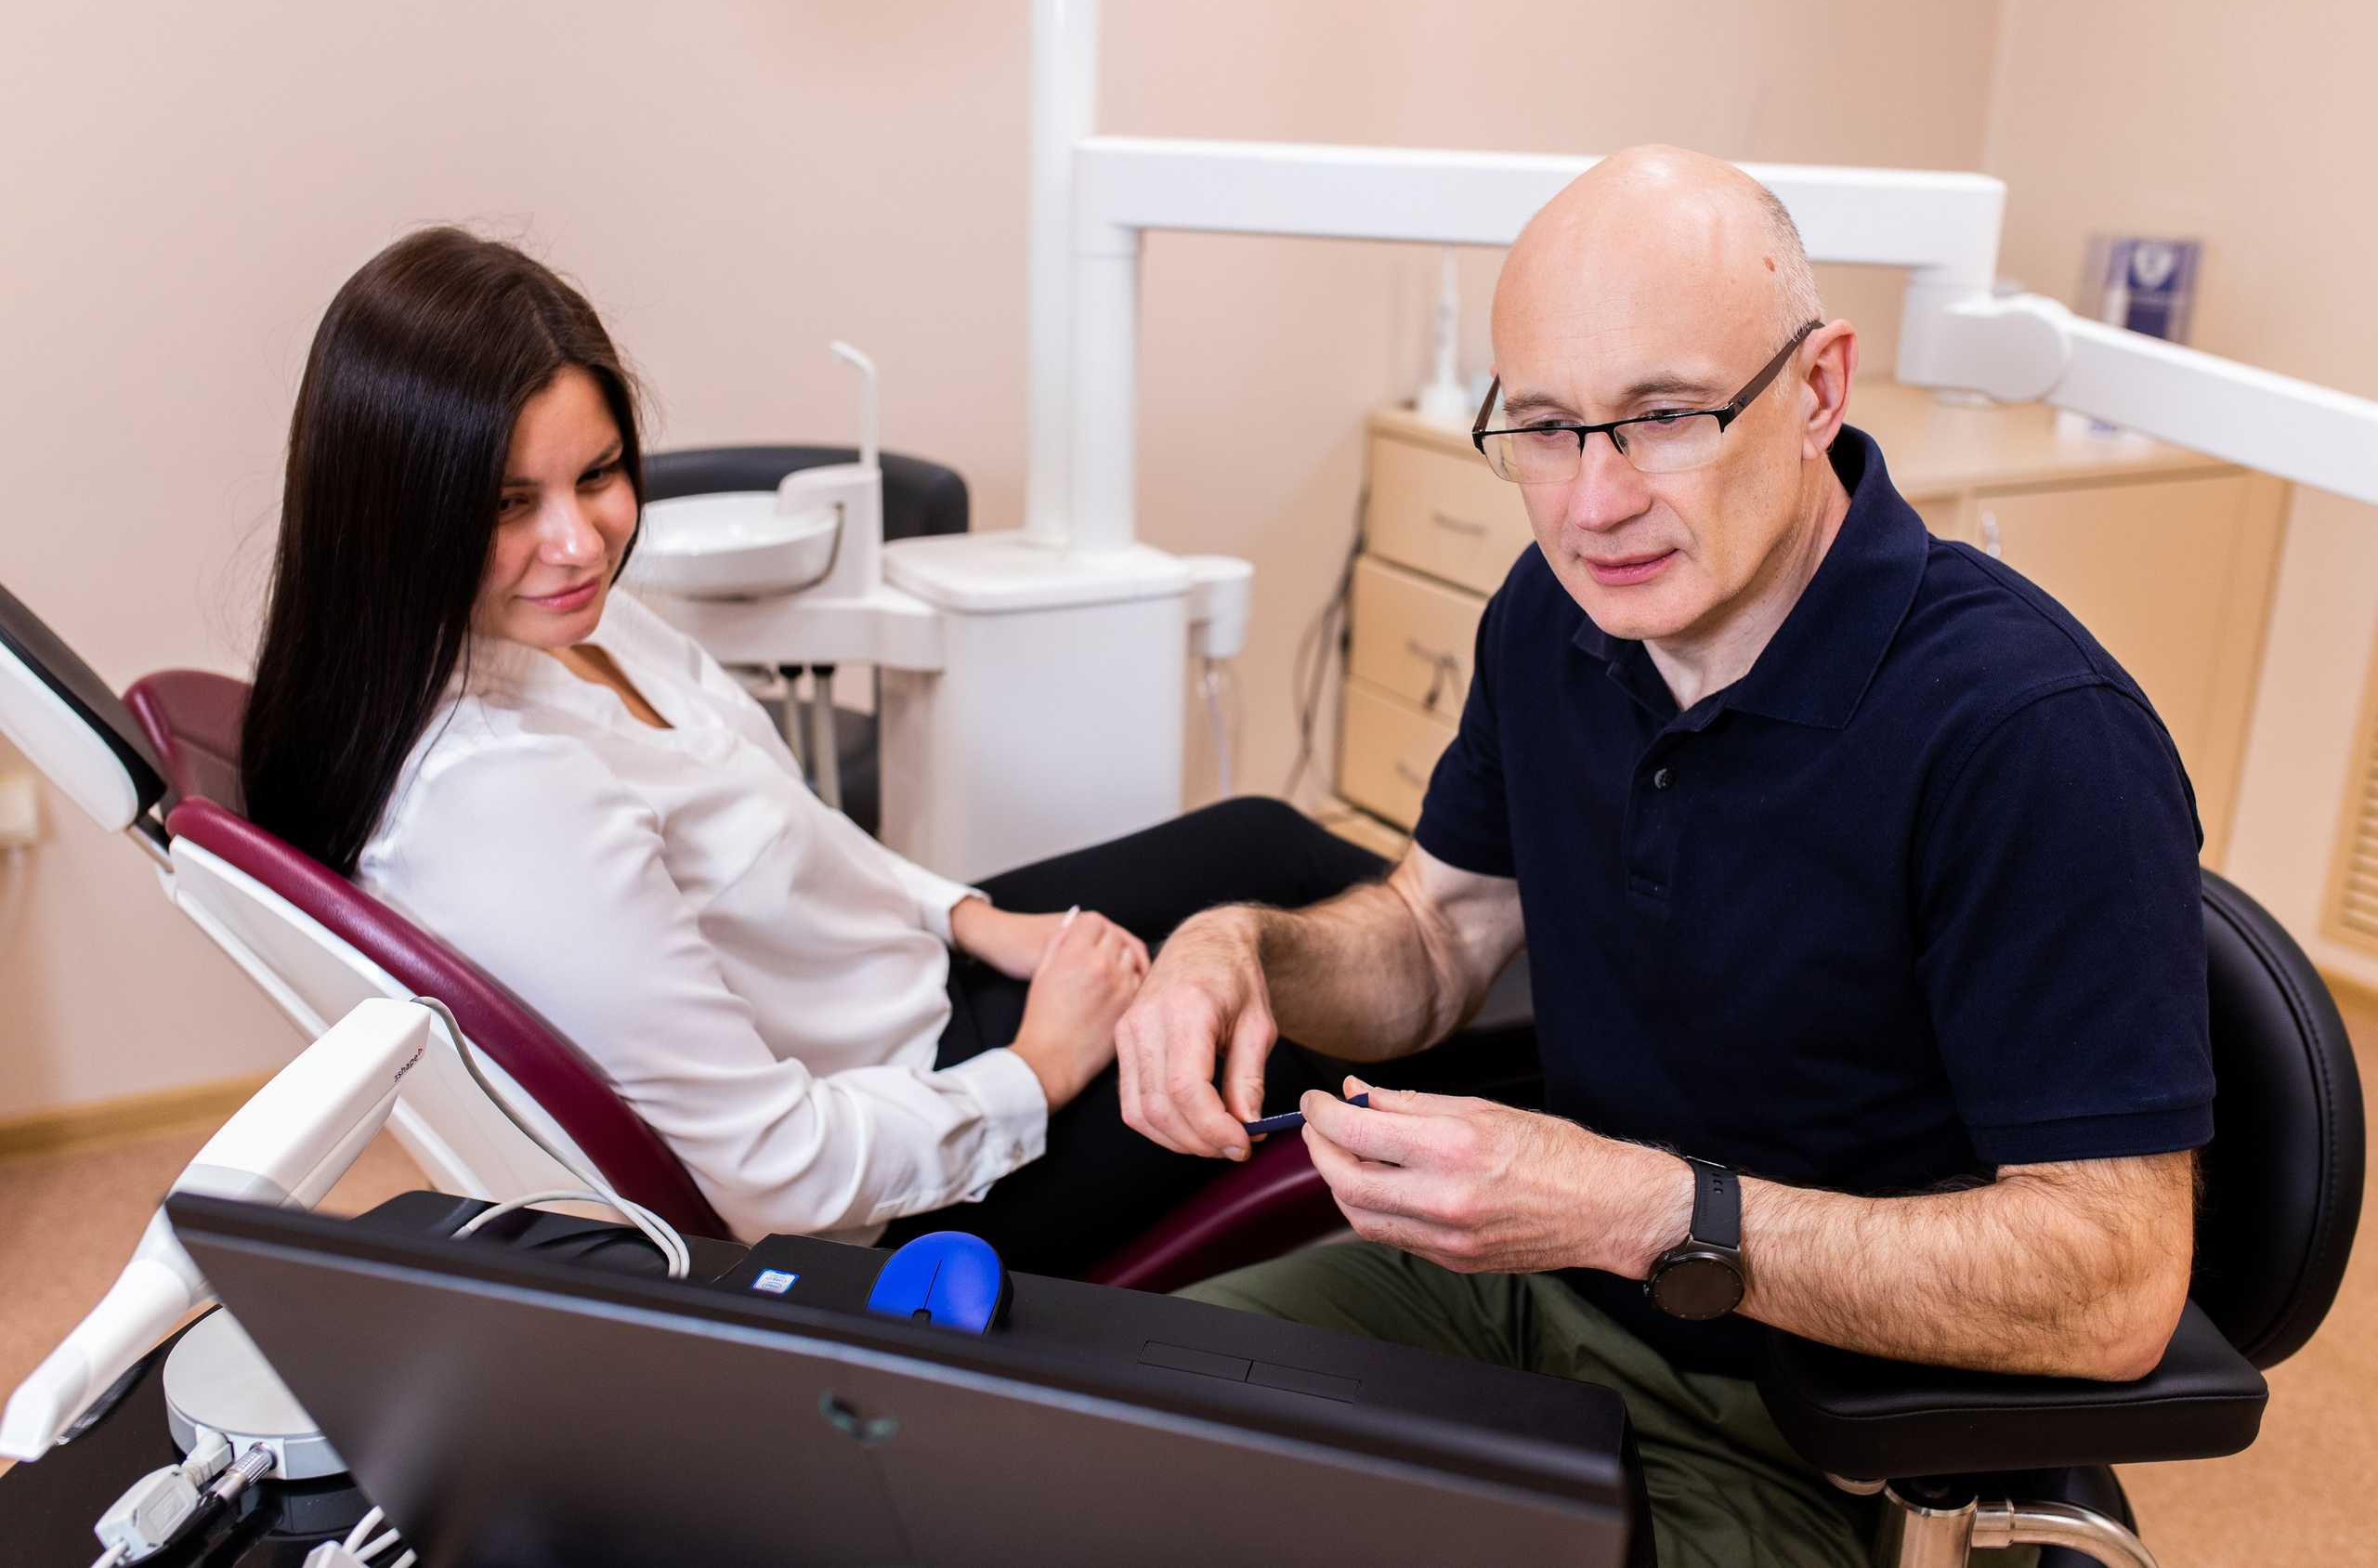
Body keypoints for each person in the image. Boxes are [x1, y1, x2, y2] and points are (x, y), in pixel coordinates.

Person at [1116, 147, 2210, 1568]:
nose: (1593, 503)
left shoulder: (2029, 733)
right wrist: (1239, 948)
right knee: (1084, 1441)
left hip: (1817, 1428)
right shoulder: (1556, 618)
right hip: (1526, 1297)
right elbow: (1439, 939)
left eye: (1663, 417)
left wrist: (1631, 1206)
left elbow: (2113, 1285)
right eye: (1548, 429)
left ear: (1818, 390)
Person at [238, 227, 1462, 1273]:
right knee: (1285, 1020)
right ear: (399, 512)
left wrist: (973, 918)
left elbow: (794, 824)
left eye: (599, 475)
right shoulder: (500, 797)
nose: (576, 542)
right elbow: (778, 1176)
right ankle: (1587, 1123)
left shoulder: (569, 629)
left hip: (911, 999)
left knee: (1262, 843)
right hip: (900, 1180)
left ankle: (1564, 985)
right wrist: (1037, 1072)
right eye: (509, 504)